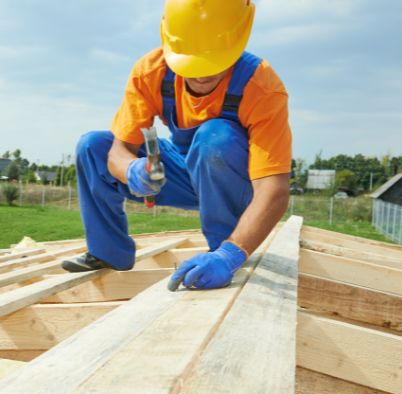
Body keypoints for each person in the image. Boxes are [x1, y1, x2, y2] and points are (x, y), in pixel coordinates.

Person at [62, 0, 292, 290]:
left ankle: (223, 249)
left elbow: (273, 189)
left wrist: (230, 254)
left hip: (235, 184)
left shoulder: (261, 87)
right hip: (183, 171)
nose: (201, 74)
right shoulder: (151, 72)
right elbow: (116, 154)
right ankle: (109, 253)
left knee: (216, 136)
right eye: (191, 61)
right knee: (92, 145)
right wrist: (132, 169)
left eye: (213, 62)